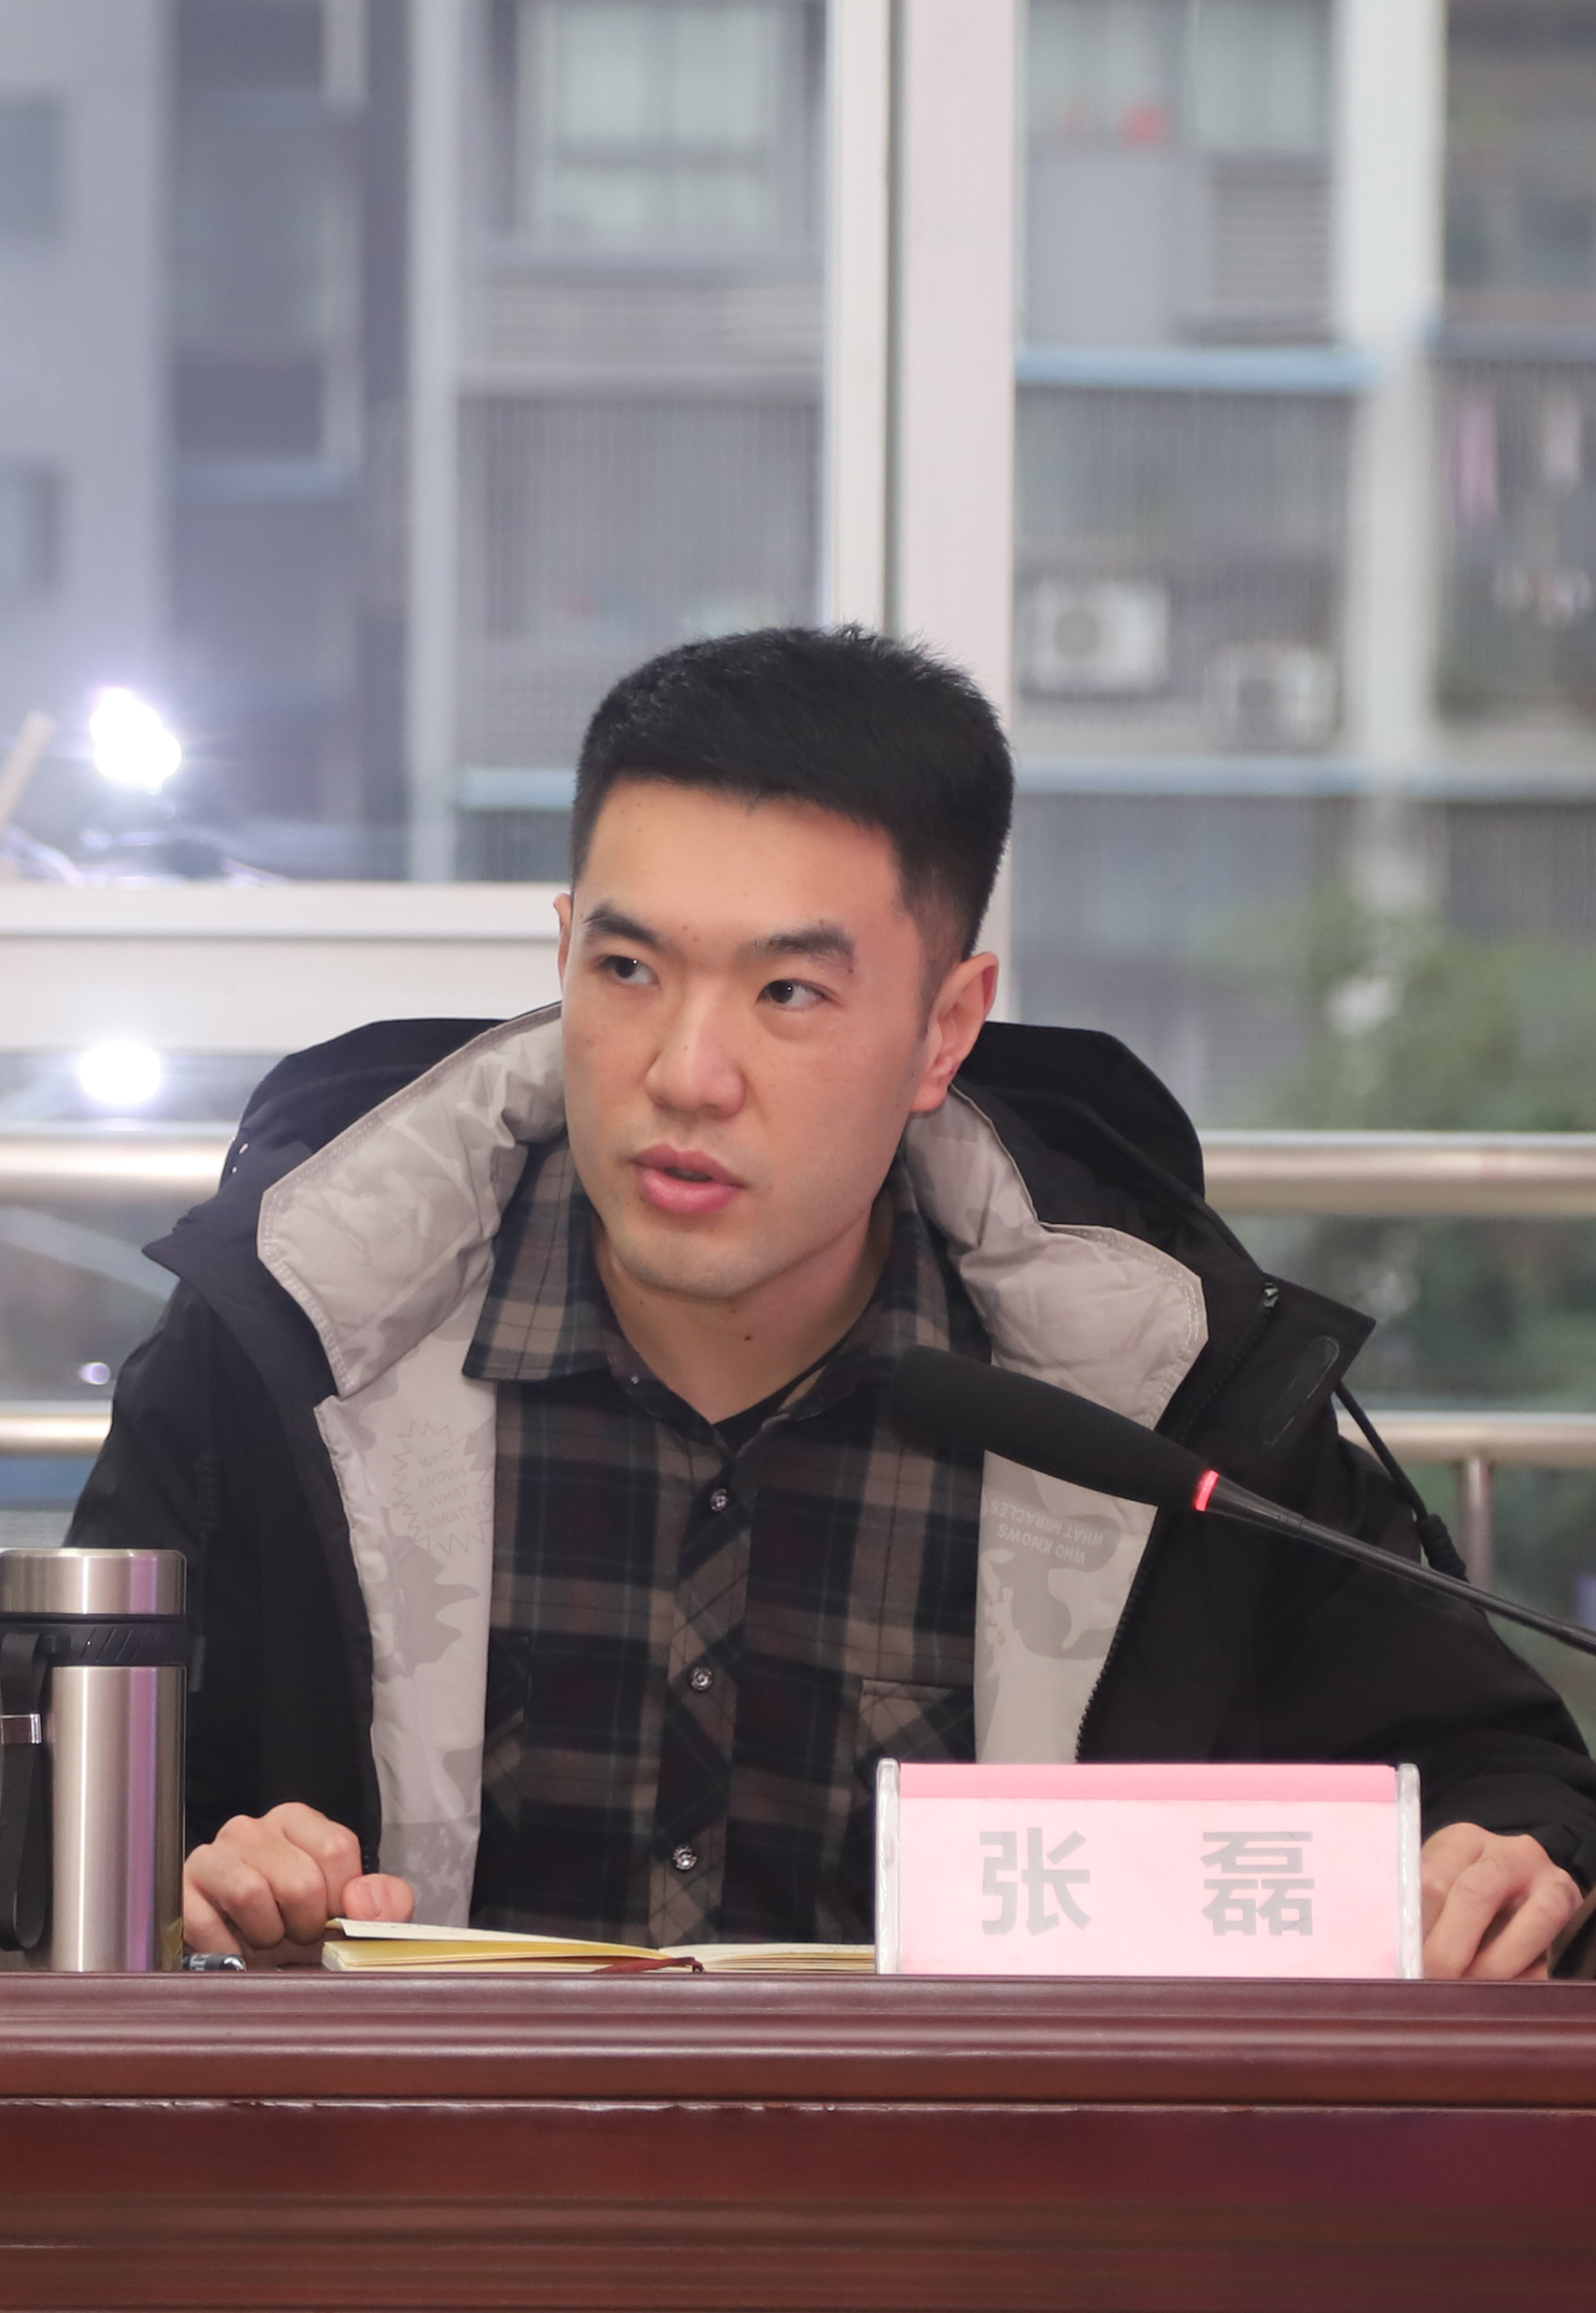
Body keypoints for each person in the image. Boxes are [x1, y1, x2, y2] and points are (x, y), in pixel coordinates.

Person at [71, 626, 1596, 1977]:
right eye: (627, 968)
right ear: (562, 949)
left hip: (986, 2195)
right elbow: (54, 1812)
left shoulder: (1151, 1393)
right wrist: (192, 1885)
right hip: (422, 2188)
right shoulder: (299, 1341)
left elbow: (1504, 1786)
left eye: (787, 992)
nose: (686, 1074)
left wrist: (1500, 1863)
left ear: (946, 1029)